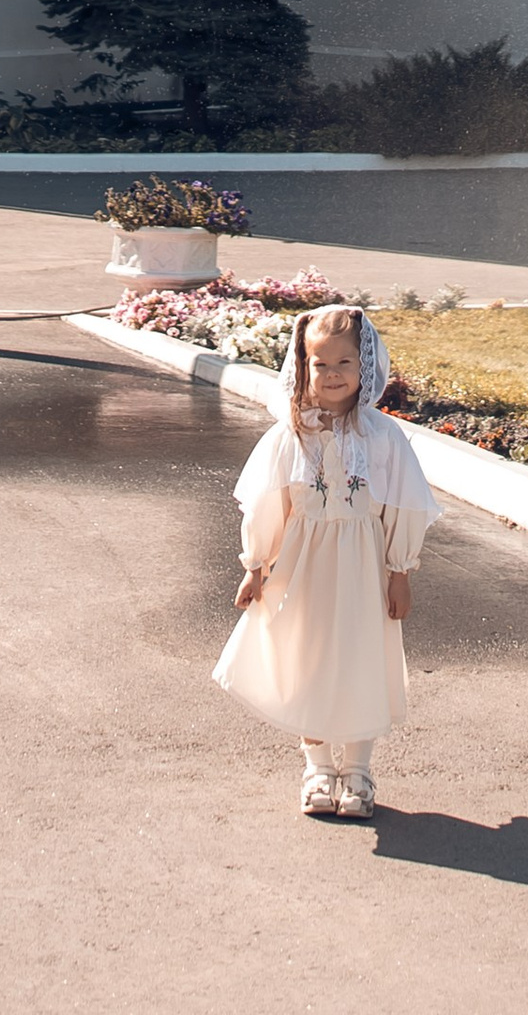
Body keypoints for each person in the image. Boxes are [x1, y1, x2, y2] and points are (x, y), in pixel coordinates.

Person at [214, 299, 436, 818]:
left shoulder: (382, 437)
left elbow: (401, 505)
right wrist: (255, 564)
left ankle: (358, 769)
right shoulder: (290, 435)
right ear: (302, 366)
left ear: (365, 367)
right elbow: (270, 503)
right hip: (303, 566)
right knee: (306, 657)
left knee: (360, 658)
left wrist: (399, 571)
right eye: (321, 364)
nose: (333, 375)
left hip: (363, 566)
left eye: (345, 364)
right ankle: (317, 766)